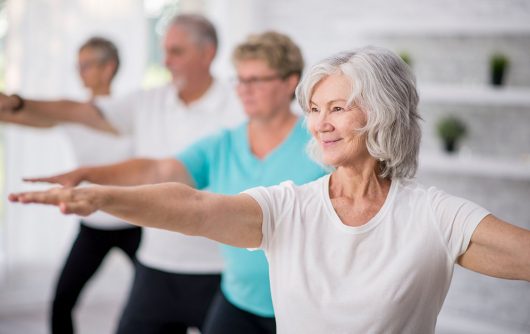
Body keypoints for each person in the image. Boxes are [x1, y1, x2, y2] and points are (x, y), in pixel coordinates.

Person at [9, 46, 530, 333]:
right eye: (315, 110)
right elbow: (192, 204)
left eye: (338, 108)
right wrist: (103, 195)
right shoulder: (288, 205)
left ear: (382, 114)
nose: (320, 124)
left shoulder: (434, 215)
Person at [19, 31, 326, 334]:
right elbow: (159, 171)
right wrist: (90, 177)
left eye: (256, 80)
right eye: (240, 80)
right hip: (238, 301)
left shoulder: (321, 144)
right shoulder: (223, 144)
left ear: (289, 82)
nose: (245, 89)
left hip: (301, 305)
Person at [1, 14, 244, 333]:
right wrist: (17, 103)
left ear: (207, 53)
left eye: (176, 51)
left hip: (217, 266)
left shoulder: (240, 104)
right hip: (155, 263)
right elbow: (78, 111)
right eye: (164, 50)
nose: (166, 61)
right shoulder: (147, 101)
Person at [0, 36, 141, 334]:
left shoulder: (128, 109)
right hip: (93, 226)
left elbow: (72, 111)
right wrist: (9, 106)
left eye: (87, 64)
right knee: (62, 301)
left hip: (134, 223)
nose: (80, 72)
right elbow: (23, 116)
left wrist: (15, 101)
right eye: (78, 65)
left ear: (109, 67)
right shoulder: (70, 114)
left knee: (152, 302)